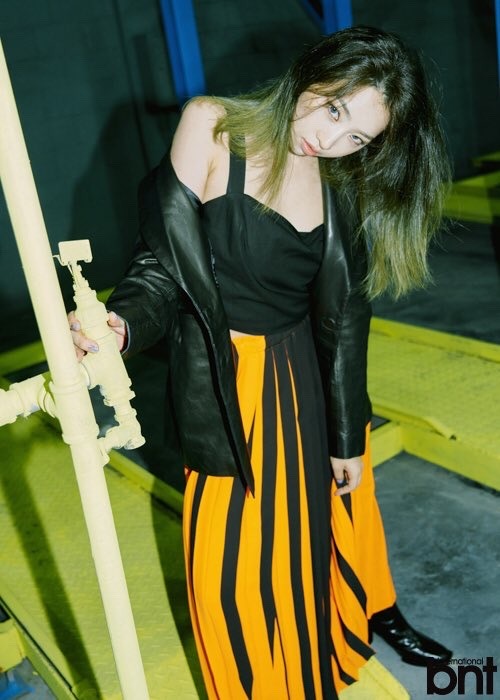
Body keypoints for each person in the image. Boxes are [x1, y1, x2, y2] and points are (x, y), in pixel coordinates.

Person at [70, 25, 452, 699]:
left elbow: (344, 317)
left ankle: (337, 646)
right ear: (311, 73)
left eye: (358, 137)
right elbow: (161, 264)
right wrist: (121, 324)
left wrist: (347, 436)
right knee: (229, 575)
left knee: (312, 547)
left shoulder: (339, 184)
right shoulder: (214, 128)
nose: (331, 141)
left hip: (303, 381)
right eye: (334, 110)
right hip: (226, 386)